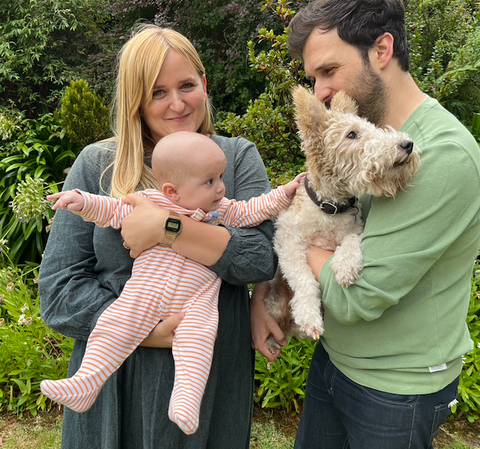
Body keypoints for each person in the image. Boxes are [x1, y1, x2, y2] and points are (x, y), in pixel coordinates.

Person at [250, 1, 480, 448]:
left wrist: (302, 242)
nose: (319, 91)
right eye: (313, 78)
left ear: (381, 49)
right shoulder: (365, 146)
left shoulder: (442, 155)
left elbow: (356, 297)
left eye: (328, 70)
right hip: (336, 361)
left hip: (396, 389)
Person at [39, 25, 278, 449]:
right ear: (136, 100)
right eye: (157, 92)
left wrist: (169, 229)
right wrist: (146, 330)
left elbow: (259, 260)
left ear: (204, 85)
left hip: (211, 372)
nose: (177, 103)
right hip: (117, 375)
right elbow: (59, 292)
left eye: (186, 85)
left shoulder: (235, 158)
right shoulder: (100, 165)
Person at [40, 131, 304, 435]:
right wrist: (82, 201)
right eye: (210, 181)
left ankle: (186, 401)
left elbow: (255, 210)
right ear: (173, 192)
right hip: (145, 292)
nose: (221, 187)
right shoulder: (149, 201)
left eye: (220, 177)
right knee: (113, 325)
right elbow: (110, 210)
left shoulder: (221, 210)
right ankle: (86, 383)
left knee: (198, 341)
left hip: (196, 302)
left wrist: (284, 194)